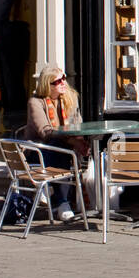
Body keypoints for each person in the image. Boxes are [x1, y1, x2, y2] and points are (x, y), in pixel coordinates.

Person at [25, 65, 88, 222]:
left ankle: (46, 188)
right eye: (58, 81)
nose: (63, 83)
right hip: (38, 153)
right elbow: (45, 132)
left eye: (64, 78)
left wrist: (79, 142)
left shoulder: (70, 98)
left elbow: (77, 126)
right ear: (48, 84)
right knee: (58, 146)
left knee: (62, 149)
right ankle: (62, 203)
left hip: (61, 151)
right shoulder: (36, 102)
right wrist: (73, 141)